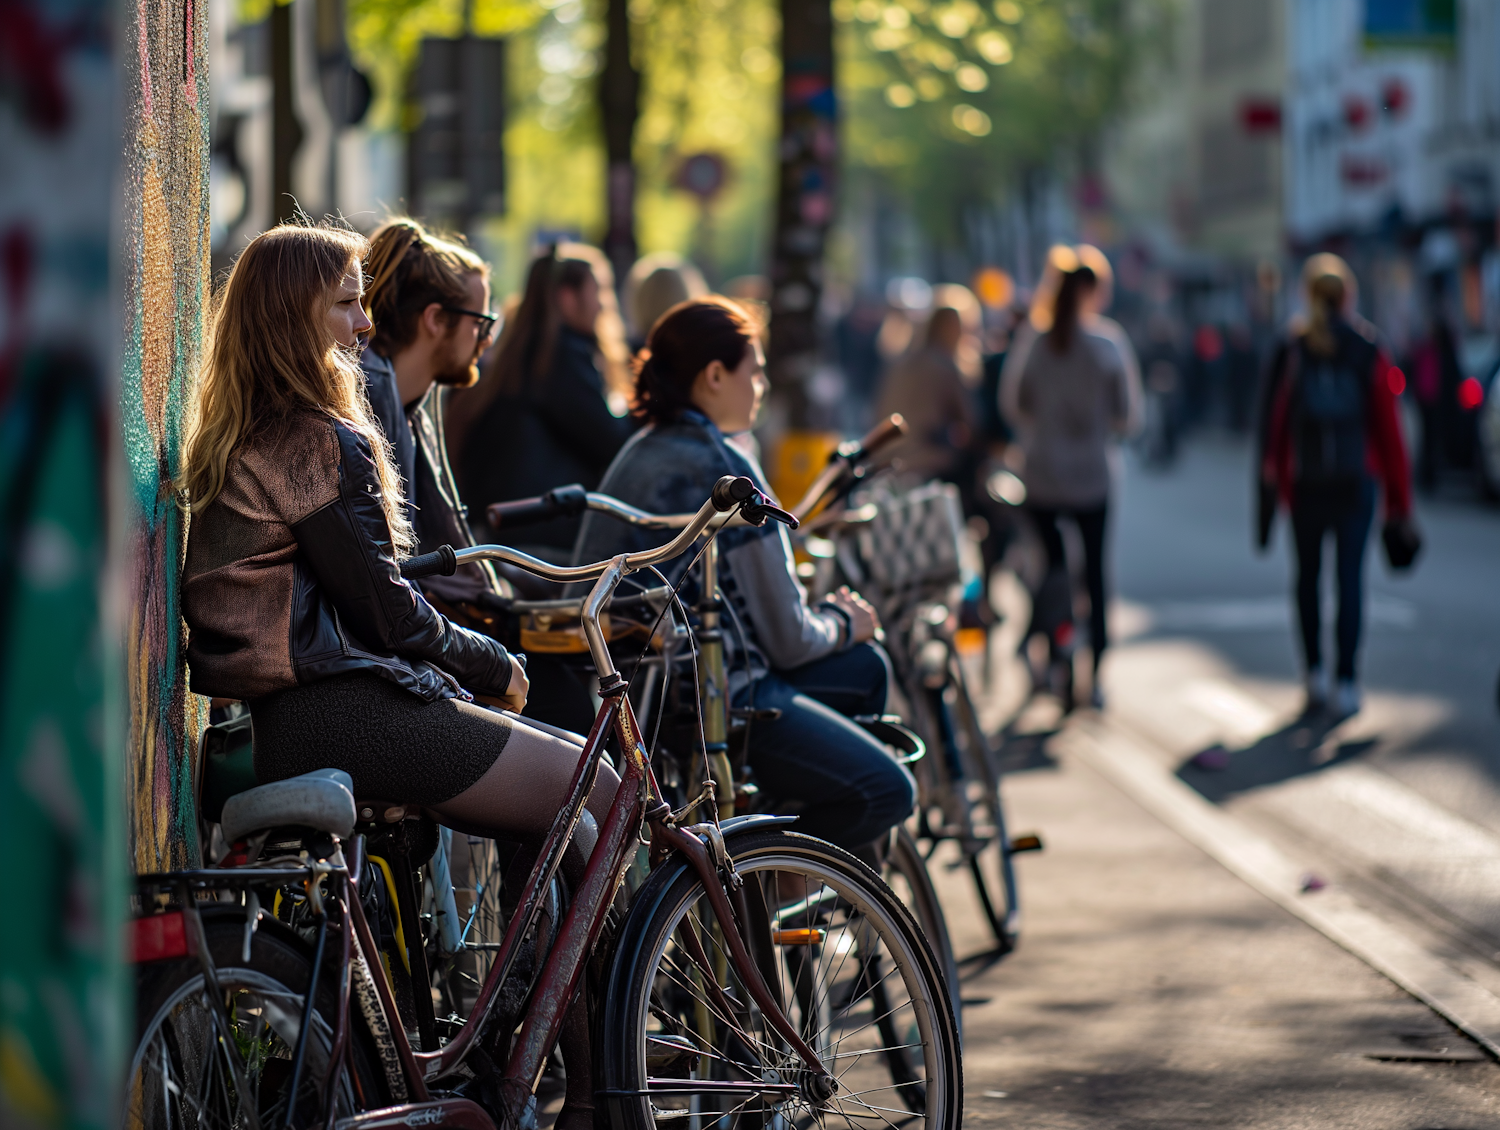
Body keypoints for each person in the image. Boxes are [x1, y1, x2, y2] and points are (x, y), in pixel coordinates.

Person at [180, 222, 615, 1129]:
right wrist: (489, 659)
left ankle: (510, 1052)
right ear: (292, 319)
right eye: (343, 302)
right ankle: (579, 1091)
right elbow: (385, 608)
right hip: (336, 714)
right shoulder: (315, 439)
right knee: (598, 787)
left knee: (557, 787)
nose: (363, 325)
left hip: (285, 716)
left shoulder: (248, 429)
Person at [572, 297, 916, 859]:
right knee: (886, 786)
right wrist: (846, 623)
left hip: (633, 697)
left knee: (859, 671)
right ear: (713, 377)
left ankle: (781, 859)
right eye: (754, 373)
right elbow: (790, 637)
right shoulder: (725, 467)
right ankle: (783, 876)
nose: (761, 387)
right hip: (712, 696)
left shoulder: (637, 452)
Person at [1256, 253, 1415, 718]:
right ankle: (1348, 682)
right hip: (1355, 483)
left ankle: (1315, 677)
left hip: (1307, 485)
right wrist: (1399, 500)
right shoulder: (1368, 348)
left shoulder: (1294, 348)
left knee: (1307, 581)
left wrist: (1279, 486)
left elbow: (1277, 426)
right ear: (1349, 295)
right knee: (1350, 581)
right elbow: (1389, 431)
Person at [1001, 244, 1142, 710]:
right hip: (1092, 477)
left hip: (1041, 474)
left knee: (1051, 568)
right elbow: (1129, 417)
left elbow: (1014, 404)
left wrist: (1045, 428)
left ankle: (1047, 649)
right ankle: (1095, 672)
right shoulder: (1108, 344)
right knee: (1095, 574)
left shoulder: (1037, 342)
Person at [360, 218, 508, 623]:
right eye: (480, 323)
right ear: (436, 320)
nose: (487, 340)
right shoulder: (367, 399)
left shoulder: (410, 407)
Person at [448, 245, 633, 554]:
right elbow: (613, 442)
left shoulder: (518, 354)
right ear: (567, 297)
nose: (603, 305)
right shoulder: (562, 356)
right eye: (598, 291)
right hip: (547, 536)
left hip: (503, 530)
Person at [875, 304, 980, 481]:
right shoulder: (944, 367)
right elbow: (971, 419)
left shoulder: (900, 363)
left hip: (890, 459)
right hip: (929, 461)